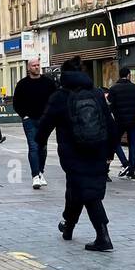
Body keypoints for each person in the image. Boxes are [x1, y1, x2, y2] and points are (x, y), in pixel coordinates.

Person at [36, 57, 118, 251]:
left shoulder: (60, 96)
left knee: (87, 193)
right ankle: (68, 227)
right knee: (77, 189)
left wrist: (39, 143)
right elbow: (110, 123)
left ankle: (103, 236)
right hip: (98, 149)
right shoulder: (97, 94)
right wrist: (110, 152)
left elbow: (45, 125)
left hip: (73, 153)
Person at [13, 58, 57, 189]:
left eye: (38, 65)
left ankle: (40, 172)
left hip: (45, 120)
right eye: (34, 65)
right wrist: (24, 116)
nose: (37, 67)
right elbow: (16, 102)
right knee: (33, 146)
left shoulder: (48, 83)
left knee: (42, 147)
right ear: (28, 68)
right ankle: (35, 176)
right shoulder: (22, 84)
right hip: (30, 120)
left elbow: (54, 100)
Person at [107, 68, 135, 179]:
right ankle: (132, 171)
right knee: (132, 145)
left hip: (119, 121)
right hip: (133, 120)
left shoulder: (113, 89)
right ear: (129, 75)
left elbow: (110, 104)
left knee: (114, 142)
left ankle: (125, 163)